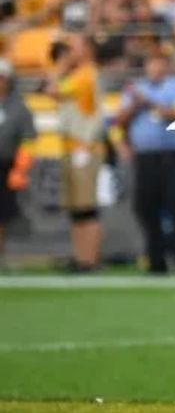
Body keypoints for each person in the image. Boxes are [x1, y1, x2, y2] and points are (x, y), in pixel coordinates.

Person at [118, 52, 175, 274]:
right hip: (145, 157)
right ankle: (155, 259)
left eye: (159, 64)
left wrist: (148, 103)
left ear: (166, 66)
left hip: (172, 156)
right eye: (152, 64)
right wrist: (134, 106)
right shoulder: (135, 89)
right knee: (146, 208)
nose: (155, 69)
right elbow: (119, 119)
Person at [48, 34, 102, 272]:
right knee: (77, 209)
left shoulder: (86, 74)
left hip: (84, 148)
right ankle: (82, 258)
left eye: (74, 48)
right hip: (72, 147)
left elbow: (53, 90)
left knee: (86, 207)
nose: (70, 53)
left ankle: (89, 259)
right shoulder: (78, 75)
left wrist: (59, 67)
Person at [0, 60, 37, 266]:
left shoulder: (18, 107)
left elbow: (28, 140)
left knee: (2, 214)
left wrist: (20, 169)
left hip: (6, 164)